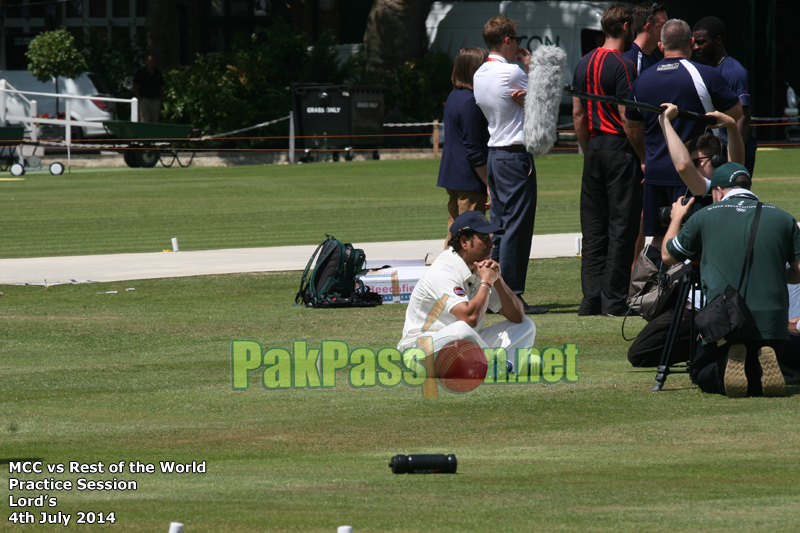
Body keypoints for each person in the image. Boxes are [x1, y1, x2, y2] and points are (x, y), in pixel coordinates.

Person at [661, 163, 800, 397]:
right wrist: (777, 273)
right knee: (755, 370)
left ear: (719, 191)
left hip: (727, 321)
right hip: (773, 325)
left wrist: (676, 217)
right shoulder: (783, 218)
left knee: (701, 373)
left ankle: (730, 365)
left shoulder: (705, 216)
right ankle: (763, 364)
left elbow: (667, 255)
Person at [625, 19, 742, 251]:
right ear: (690, 42)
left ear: (661, 46)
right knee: (700, 239)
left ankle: (655, 287)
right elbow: (736, 112)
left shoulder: (642, 80)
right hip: (696, 174)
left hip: (656, 174)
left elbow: (631, 124)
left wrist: (646, 158)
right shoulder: (705, 74)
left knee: (659, 241)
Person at [572, 3, 645, 316]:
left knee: (593, 228)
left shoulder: (583, 62)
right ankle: (613, 301)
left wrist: (589, 148)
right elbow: (627, 118)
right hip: (618, 148)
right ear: (626, 27)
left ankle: (591, 299)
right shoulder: (623, 64)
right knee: (621, 227)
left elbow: (577, 114)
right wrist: (642, 157)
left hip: (594, 149)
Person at [397, 211, 536, 374]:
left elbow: (517, 315)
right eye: (484, 238)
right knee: (461, 329)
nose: (492, 244)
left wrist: (497, 279)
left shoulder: (480, 268)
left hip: (460, 346)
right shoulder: (443, 270)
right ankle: (496, 366)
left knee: (526, 325)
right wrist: (486, 282)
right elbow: (470, 318)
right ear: (464, 242)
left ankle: (499, 368)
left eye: (491, 238)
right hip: (420, 350)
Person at [473, 15, 547, 315]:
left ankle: (495, 292)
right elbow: (546, 106)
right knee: (517, 227)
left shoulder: (479, 73)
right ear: (507, 40)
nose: (518, 44)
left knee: (501, 227)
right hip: (515, 155)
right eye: (516, 39)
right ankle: (512, 295)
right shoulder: (512, 72)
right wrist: (532, 70)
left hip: (495, 155)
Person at [692, 16, 758, 177]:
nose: (695, 47)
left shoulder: (734, 72)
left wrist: (733, 159)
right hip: (714, 151)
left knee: (732, 198)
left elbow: (744, 116)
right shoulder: (704, 70)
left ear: (718, 40)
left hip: (734, 152)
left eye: (701, 42)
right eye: (693, 42)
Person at [438, 47, 491, 247]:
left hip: (452, 175)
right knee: (471, 237)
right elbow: (473, 149)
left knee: (454, 233)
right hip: (469, 179)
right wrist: (488, 183)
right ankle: (465, 276)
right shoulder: (470, 101)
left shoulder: (454, 95)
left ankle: (447, 275)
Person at [623, 2, 668, 74]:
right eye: (663, 25)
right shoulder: (629, 59)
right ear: (648, 27)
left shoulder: (653, 57)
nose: (667, 29)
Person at [133, 55, 165, 123]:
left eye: (153, 62)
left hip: (155, 101)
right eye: (149, 62)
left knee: (155, 121)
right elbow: (135, 85)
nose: (151, 63)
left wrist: (160, 99)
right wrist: (139, 98)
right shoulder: (141, 73)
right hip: (144, 100)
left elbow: (161, 86)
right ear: (146, 62)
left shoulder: (157, 73)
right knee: (145, 120)